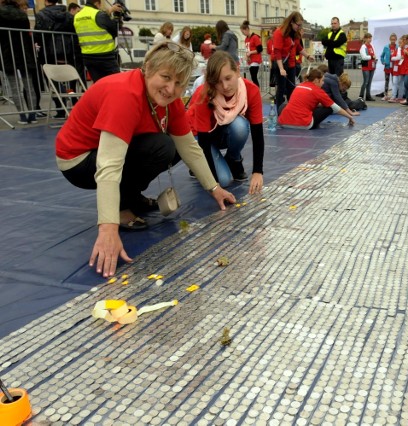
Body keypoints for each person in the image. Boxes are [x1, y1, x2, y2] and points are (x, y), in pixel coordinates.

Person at [55, 41, 236, 278]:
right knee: (159, 146)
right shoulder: (125, 94)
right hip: (78, 161)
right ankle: (122, 207)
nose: (171, 89)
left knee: (171, 148)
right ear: (148, 68)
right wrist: (108, 228)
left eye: (179, 83)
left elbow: (190, 148)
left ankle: (132, 197)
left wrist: (214, 188)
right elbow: (108, 166)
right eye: (165, 77)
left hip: (106, 155)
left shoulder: (170, 102)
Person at [186, 51, 265, 193]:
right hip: (200, 137)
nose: (225, 86)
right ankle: (196, 165)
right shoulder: (203, 95)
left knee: (240, 125)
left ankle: (233, 159)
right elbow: (204, 142)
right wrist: (214, 186)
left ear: (238, 72)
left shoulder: (251, 91)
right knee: (224, 181)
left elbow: (257, 133)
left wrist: (258, 171)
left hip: (221, 131)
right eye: (218, 82)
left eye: (228, 78)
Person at [35, 0, 80, 119]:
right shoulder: (68, 15)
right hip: (67, 51)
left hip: (49, 51)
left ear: (46, 1)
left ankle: (60, 107)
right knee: (70, 79)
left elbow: (38, 34)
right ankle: (73, 99)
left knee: (53, 81)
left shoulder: (41, 14)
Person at [0, 0, 38, 124]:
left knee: (14, 87)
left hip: (7, 53)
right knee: (29, 85)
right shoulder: (22, 14)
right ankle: (32, 115)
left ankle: (22, 116)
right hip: (24, 52)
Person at [278, 68, 355, 130]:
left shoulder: (299, 86)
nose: (323, 83)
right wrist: (349, 117)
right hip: (304, 125)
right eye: (322, 80)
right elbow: (335, 107)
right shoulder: (318, 91)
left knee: (285, 105)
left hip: (284, 123)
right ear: (316, 80)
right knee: (329, 107)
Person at [272, 11, 314, 112]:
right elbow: (277, 52)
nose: (299, 27)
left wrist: (307, 56)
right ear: (291, 22)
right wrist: (281, 69)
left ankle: (291, 111)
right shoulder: (279, 32)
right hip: (280, 63)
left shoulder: (295, 33)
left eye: (300, 25)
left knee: (291, 88)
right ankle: (279, 112)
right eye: (298, 25)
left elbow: (298, 47)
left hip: (291, 64)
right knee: (281, 89)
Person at [73, 0, 121, 82]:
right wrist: (117, 17)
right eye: (100, 5)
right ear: (96, 3)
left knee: (99, 84)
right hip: (105, 56)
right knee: (116, 82)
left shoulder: (77, 16)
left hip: (88, 56)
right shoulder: (98, 14)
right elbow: (115, 29)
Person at [240, 20, 262, 87]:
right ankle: (255, 90)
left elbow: (260, 49)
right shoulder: (246, 39)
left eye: (243, 32)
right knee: (252, 78)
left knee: (254, 77)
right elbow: (247, 49)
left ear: (247, 29)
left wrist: (251, 52)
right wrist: (247, 56)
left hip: (255, 60)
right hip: (250, 60)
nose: (243, 34)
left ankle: (257, 91)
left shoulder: (255, 37)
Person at [377, 33, 397, 99]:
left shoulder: (397, 47)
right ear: (389, 39)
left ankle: (394, 95)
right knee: (387, 80)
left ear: (396, 40)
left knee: (395, 81)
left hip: (395, 67)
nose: (393, 41)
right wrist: (383, 62)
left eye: (394, 39)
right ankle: (386, 95)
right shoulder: (386, 47)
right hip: (387, 66)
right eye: (391, 39)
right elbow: (382, 56)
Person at [358, 33, 376, 102]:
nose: (370, 39)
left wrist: (374, 58)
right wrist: (371, 57)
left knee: (369, 82)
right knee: (365, 82)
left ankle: (368, 96)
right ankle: (361, 96)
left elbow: (374, 54)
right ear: (365, 39)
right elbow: (364, 57)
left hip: (372, 65)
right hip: (366, 66)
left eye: (370, 38)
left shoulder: (372, 46)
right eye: (368, 38)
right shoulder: (363, 47)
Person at [388, 35, 404, 102]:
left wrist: (398, 57)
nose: (400, 44)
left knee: (400, 83)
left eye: (401, 42)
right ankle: (394, 96)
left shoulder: (405, 49)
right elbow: (392, 58)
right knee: (394, 82)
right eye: (399, 42)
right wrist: (399, 58)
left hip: (401, 68)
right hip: (396, 68)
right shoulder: (397, 49)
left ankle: (400, 96)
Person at [266, 26, 277, 92]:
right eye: (270, 33)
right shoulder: (269, 42)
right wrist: (270, 62)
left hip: (278, 61)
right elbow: (269, 53)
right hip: (273, 61)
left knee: (278, 79)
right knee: (273, 80)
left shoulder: (278, 41)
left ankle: (279, 94)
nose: (271, 35)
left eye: (272, 33)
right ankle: (275, 93)